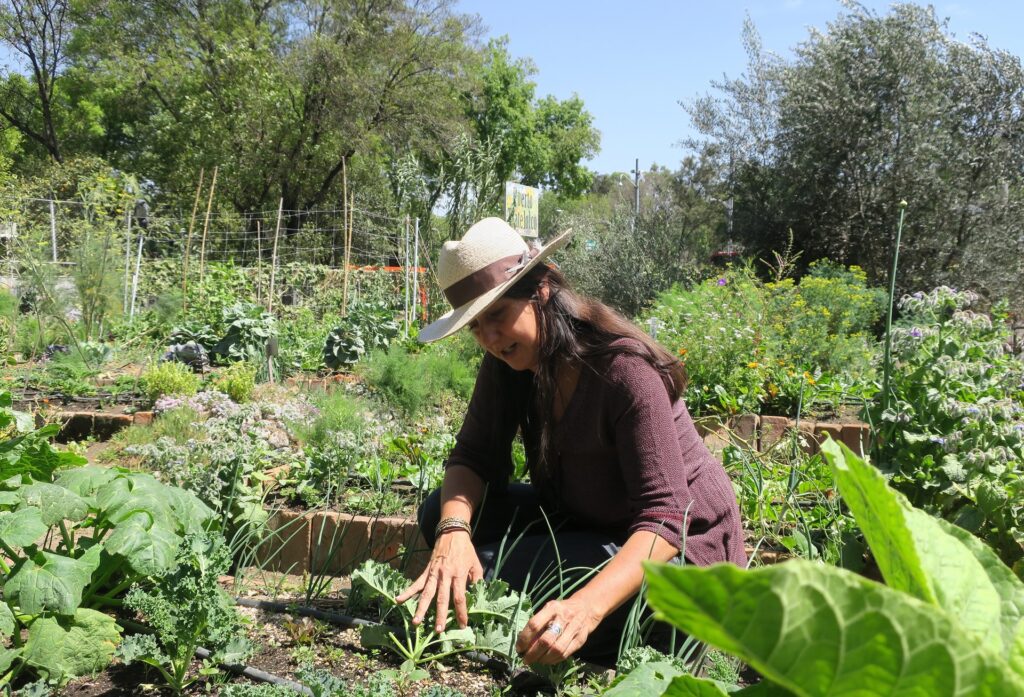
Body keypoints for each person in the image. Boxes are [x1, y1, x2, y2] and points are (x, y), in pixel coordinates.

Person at [396, 217, 745, 667]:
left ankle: (656, 630)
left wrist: (584, 608)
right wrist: (452, 533)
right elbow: (472, 457)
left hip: (678, 556)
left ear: (541, 290)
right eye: (475, 326)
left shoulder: (623, 370)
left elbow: (665, 518)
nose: (489, 339)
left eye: (497, 315)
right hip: (591, 520)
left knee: (490, 571)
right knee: (440, 514)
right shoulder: (508, 365)